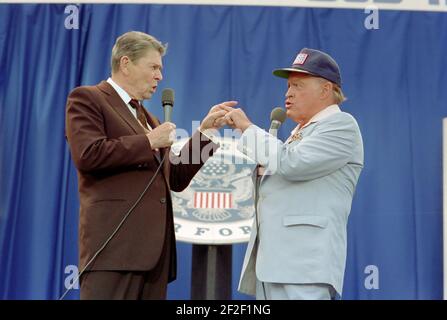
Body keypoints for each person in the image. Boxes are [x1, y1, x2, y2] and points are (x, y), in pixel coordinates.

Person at [65, 31, 234, 300]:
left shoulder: (150, 117)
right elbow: (88, 154)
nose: (160, 76)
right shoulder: (88, 98)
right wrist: (149, 141)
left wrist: (205, 134)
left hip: (155, 257)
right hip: (113, 251)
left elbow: (174, 177)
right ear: (126, 63)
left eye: (161, 69)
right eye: (153, 67)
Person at [225, 48, 364, 300]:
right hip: (275, 264)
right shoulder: (302, 131)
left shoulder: (340, 125)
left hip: (304, 265)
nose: (288, 93)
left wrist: (247, 128)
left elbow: (293, 164)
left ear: (325, 90)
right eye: (288, 86)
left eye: (298, 85)